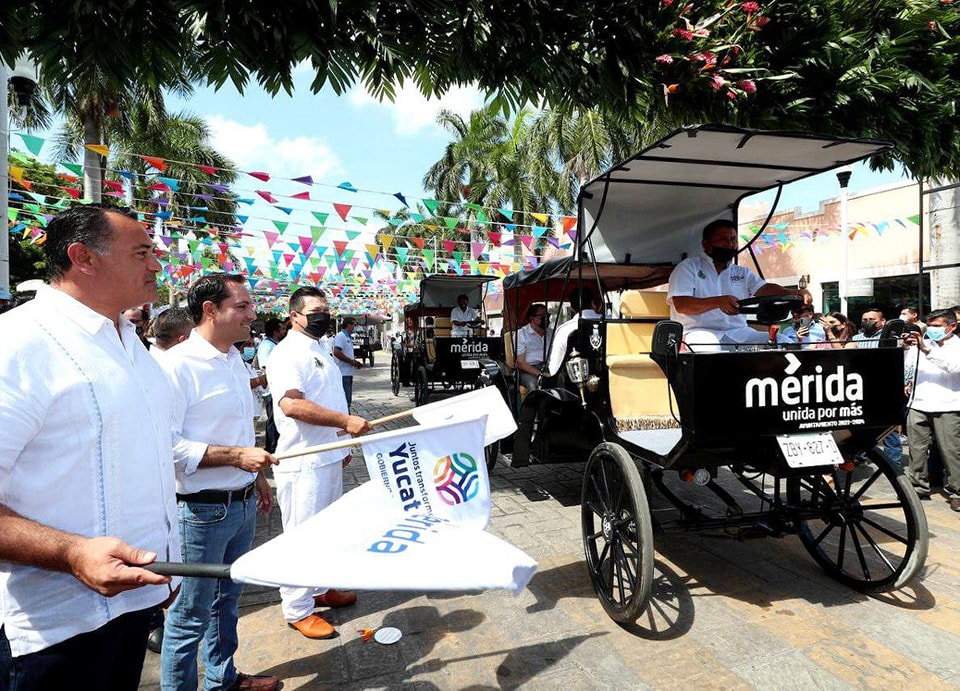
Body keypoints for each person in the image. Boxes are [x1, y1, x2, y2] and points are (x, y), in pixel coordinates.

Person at [0, 205, 179, 689]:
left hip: (134, 605)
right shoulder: (18, 345)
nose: (157, 265)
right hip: (56, 628)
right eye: (141, 253)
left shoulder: (129, 343)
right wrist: (73, 553)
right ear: (83, 258)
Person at [160, 274, 280, 691]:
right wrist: (236, 458)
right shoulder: (175, 366)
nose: (252, 314)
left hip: (242, 501)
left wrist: (257, 475)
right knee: (190, 613)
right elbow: (166, 447)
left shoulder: (234, 360)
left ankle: (222, 679)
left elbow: (240, 432)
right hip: (202, 510)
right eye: (242, 306)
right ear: (210, 310)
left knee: (226, 604)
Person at [267, 287, 372, 638]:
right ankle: (297, 608)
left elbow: (331, 399)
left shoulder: (320, 348)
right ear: (295, 315)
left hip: (328, 456)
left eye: (326, 309)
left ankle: (320, 588)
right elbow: (292, 406)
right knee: (301, 536)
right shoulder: (286, 354)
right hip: (303, 461)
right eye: (315, 311)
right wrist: (344, 424)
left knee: (326, 531)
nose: (323, 315)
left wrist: (342, 445)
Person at [666, 219, 809, 350]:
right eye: (722, 240)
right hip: (697, 333)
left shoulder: (742, 273)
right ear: (706, 245)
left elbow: (764, 289)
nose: (729, 244)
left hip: (739, 333)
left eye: (733, 240)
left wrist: (793, 293)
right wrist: (718, 302)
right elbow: (682, 305)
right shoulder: (688, 267)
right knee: (710, 348)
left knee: (784, 342)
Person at [903, 309, 960, 509]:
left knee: (951, 450)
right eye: (931, 326)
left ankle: (956, 491)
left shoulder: (957, 346)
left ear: (952, 326)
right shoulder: (922, 342)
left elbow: (955, 367)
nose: (932, 330)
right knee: (916, 449)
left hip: (948, 405)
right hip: (918, 402)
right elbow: (909, 365)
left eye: (937, 326)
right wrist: (905, 350)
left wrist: (927, 350)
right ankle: (918, 487)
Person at [846, 306, 903, 465]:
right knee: (861, 424)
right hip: (859, 387)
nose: (867, 322)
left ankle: (894, 461)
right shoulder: (857, 338)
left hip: (882, 387)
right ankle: (860, 455)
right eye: (865, 320)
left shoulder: (889, 338)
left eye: (872, 320)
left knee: (886, 427)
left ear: (882, 321)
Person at [545, 287, 604, 376]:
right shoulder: (611, 323)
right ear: (593, 303)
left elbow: (553, 369)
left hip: (574, 384)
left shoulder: (564, 330)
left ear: (572, 307)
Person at [256, 317, 288, 454]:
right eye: (282, 329)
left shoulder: (273, 344)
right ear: (276, 331)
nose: (284, 331)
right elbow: (265, 366)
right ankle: (272, 448)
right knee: (273, 420)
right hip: (271, 389)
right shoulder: (267, 346)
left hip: (276, 388)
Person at [516, 302, 552, 391]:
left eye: (547, 316)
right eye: (542, 317)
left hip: (549, 366)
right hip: (529, 370)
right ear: (532, 318)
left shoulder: (552, 333)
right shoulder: (521, 334)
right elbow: (520, 363)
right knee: (533, 386)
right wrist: (540, 374)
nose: (546, 319)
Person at [333, 317, 364, 408]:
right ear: (348, 325)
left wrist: (354, 362)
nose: (354, 327)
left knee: (347, 400)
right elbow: (337, 352)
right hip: (343, 373)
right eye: (354, 325)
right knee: (345, 401)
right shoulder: (341, 336)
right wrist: (351, 362)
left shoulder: (347, 337)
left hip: (348, 372)